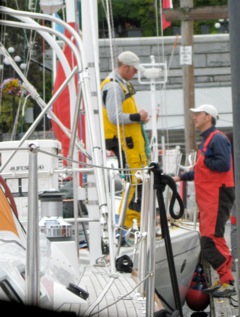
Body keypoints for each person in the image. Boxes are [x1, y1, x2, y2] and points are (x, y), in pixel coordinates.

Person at [173, 104, 236, 298]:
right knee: (213, 238)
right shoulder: (209, 140)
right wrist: (182, 177)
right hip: (211, 197)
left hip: (217, 195)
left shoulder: (216, 139)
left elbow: (223, 164)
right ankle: (226, 280)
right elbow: (204, 170)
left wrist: (205, 160)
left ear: (209, 117)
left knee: (210, 240)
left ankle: (227, 281)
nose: (194, 117)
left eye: (198, 114)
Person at [101, 51, 150, 228]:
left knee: (136, 182)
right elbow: (115, 117)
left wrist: (139, 118)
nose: (135, 74)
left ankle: (132, 223)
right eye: (134, 70)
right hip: (123, 142)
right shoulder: (114, 87)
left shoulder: (119, 85)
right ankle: (127, 226)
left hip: (129, 142)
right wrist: (138, 116)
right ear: (125, 67)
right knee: (133, 183)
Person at [225, 131, 237, 272]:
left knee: (235, 225)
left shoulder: (227, 137)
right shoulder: (229, 137)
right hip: (233, 186)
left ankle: (235, 261)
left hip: (232, 186)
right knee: (235, 225)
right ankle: (235, 260)